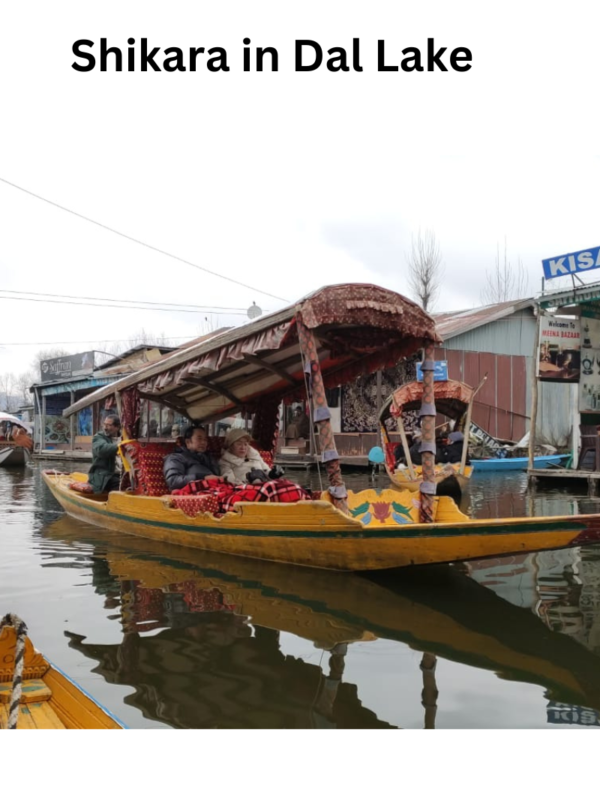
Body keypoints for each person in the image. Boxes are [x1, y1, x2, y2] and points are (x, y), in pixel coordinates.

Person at [163, 425, 221, 493]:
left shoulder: (208, 458)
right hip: (193, 495)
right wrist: (201, 477)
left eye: (205, 439)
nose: (203, 442)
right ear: (188, 442)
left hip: (215, 489)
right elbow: (173, 481)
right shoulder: (176, 458)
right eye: (199, 438)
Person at [88, 415, 122, 494]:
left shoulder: (124, 437)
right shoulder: (99, 437)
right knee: (119, 484)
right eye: (104, 424)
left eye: (109, 425)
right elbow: (101, 450)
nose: (105, 428)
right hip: (105, 475)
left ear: (117, 427)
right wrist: (120, 446)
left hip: (122, 474)